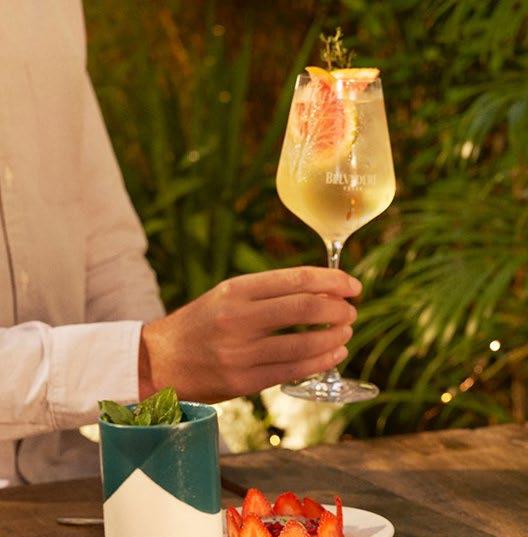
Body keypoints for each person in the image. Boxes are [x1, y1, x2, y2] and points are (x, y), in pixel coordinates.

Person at [0, 3, 360, 486]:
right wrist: (147, 362)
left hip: (66, 484)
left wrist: (180, 439)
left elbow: (107, 252)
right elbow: (148, 357)